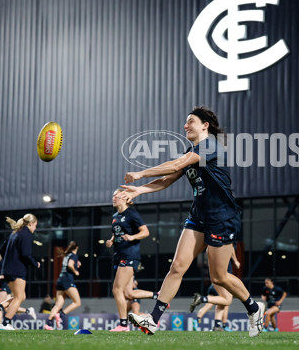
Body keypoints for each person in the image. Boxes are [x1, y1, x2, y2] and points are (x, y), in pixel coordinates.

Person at [121, 106, 265, 337]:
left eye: (190, 121)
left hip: (221, 218)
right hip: (198, 217)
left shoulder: (210, 145)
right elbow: (167, 179)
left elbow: (176, 165)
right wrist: (139, 191)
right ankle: (152, 320)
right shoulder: (192, 151)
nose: (185, 125)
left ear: (205, 125)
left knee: (219, 277)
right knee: (177, 266)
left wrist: (140, 173)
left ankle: (255, 309)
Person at [106, 189, 159, 332]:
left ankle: (123, 325)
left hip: (129, 256)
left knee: (117, 290)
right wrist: (111, 240)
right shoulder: (115, 216)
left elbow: (145, 232)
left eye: (115, 195)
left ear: (124, 198)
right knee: (129, 293)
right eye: (113, 195)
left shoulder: (132, 213)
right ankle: (158, 296)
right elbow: (117, 231)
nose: (113, 198)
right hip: (119, 255)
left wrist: (132, 237)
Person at [0, 214, 41, 330]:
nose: (35, 228)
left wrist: (10, 259)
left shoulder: (14, 233)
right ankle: (5, 323)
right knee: (19, 297)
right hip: (17, 270)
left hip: (7, 270)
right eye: (35, 226)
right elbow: (26, 254)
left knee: (21, 296)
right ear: (30, 224)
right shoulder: (26, 234)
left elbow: (2, 250)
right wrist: (36, 264)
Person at [190, 249, 241, 331]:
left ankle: (198, 320)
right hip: (223, 282)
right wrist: (235, 260)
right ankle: (224, 325)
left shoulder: (215, 254)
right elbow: (231, 248)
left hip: (213, 284)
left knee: (210, 305)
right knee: (226, 302)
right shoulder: (225, 254)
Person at [0, 248, 36, 328]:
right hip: (7, 282)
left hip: (5, 285)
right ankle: (28, 311)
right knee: (11, 305)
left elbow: (4, 274)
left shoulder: (3, 262)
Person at [44, 241, 83, 330]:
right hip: (67, 280)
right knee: (77, 302)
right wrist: (75, 271)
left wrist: (77, 263)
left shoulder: (67, 255)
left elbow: (69, 263)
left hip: (60, 279)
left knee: (58, 304)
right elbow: (70, 265)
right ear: (77, 247)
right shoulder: (73, 255)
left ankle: (48, 324)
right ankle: (60, 314)